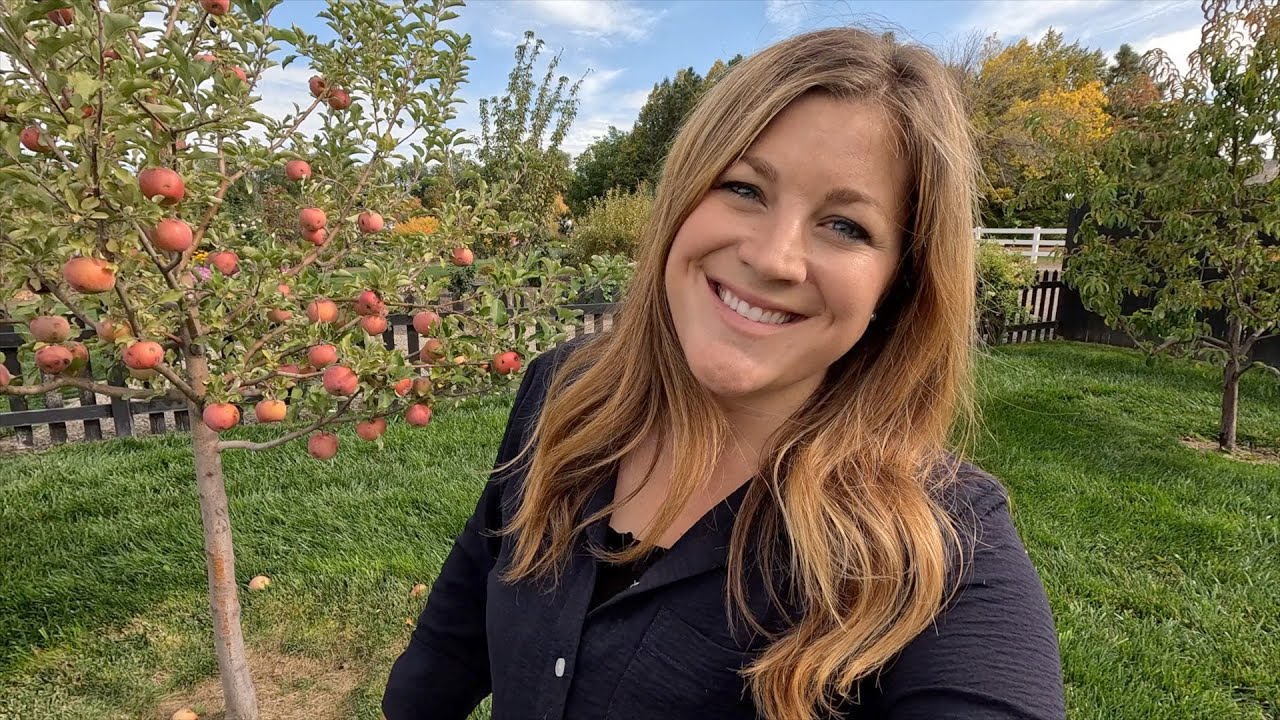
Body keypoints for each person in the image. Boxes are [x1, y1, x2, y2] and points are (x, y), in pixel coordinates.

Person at [384, 26, 1065, 720]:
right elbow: (466, 605)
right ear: (684, 196)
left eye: (846, 227)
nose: (774, 258)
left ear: (900, 282)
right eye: (743, 187)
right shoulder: (564, 390)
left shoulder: (937, 550)